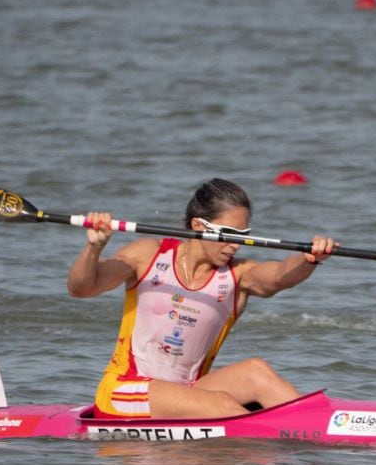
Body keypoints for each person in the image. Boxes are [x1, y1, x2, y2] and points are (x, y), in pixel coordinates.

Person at [67, 178, 335, 419]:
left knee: (256, 371)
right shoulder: (147, 255)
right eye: (228, 234)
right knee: (221, 406)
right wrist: (95, 246)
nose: (235, 245)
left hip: (188, 392)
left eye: (242, 236)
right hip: (124, 390)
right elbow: (82, 288)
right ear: (198, 225)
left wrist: (308, 259)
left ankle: (320, 423)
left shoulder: (238, 275)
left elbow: (278, 276)